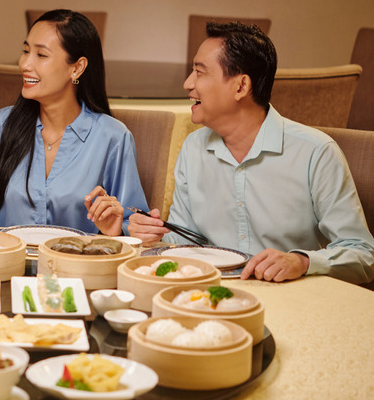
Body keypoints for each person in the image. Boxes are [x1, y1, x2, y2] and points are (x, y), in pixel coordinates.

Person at [128, 22, 374, 284]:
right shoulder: (193, 147)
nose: (188, 83)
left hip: (294, 300)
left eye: (200, 72)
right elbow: (185, 239)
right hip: (213, 296)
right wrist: (153, 235)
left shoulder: (316, 153)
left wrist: (302, 261)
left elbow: (364, 255)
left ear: (241, 86)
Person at [0, 9, 147, 235]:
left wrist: (116, 230)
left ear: (77, 68)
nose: (25, 64)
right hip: (6, 268)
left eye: (41, 55)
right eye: (25, 51)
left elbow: (131, 223)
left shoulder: (112, 137)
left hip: (78, 269)